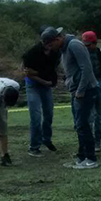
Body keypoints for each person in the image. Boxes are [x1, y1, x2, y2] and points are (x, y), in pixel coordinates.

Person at [22, 27, 64, 157]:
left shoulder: (56, 53)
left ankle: (47, 139)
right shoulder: (31, 53)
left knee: (49, 114)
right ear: (47, 43)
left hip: (46, 84)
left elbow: (52, 70)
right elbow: (27, 73)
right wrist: (43, 80)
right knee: (36, 116)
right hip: (33, 85)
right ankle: (34, 146)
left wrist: (44, 78)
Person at [61, 32, 100, 170]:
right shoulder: (66, 48)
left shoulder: (74, 45)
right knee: (79, 125)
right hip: (76, 90)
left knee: (83, 124)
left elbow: (87, 69)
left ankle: (91, 158)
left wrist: (81, 90)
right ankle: (82, 156)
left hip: (84, 91)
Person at [82, 31, 101, 152]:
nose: (87, 47)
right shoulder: (82, 54)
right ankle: (89, 142)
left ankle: (97, 142)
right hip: (88, 86)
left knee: (99, 116)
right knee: (89, 116)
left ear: (95, 43)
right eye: (85, 45)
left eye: (89, 45)